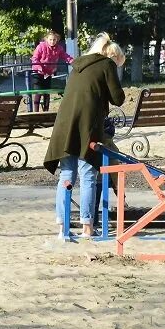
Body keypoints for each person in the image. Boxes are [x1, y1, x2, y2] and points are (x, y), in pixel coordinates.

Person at [43, 33, 126, 241]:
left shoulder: (78, 66)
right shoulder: (106, 64)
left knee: (67, 176)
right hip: (87, 127)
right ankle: (87, 227)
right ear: (112, 56)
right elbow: (118, 98)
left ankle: (62, 228)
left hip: (64, 127)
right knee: (88, 174)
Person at [29, 30, 73, 113]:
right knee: (39, 91)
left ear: (57, 40)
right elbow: (35, 58)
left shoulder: (58, 48)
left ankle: (46, 111)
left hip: (48, 72)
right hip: (38, 72)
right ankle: (36, 112)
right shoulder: (41, 46)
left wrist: (72, 61)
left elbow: (65, 56)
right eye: (50, 40)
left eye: (54, 40)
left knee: (47, 92)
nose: (52, 42)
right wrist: (39, 67)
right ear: (46, 39)